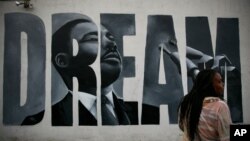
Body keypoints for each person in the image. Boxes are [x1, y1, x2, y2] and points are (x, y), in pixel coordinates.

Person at [21, 14, 131, 126]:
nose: (112, 44)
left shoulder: (148, 114)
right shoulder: (38, 124)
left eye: (111, 38)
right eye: (93, 39)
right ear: (62, 60)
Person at [178, 69, 232, 141]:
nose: (222, 84)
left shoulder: (189, 105)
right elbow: (227, 137)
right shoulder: (220, 106)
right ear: (209, 85)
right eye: (219, 81)